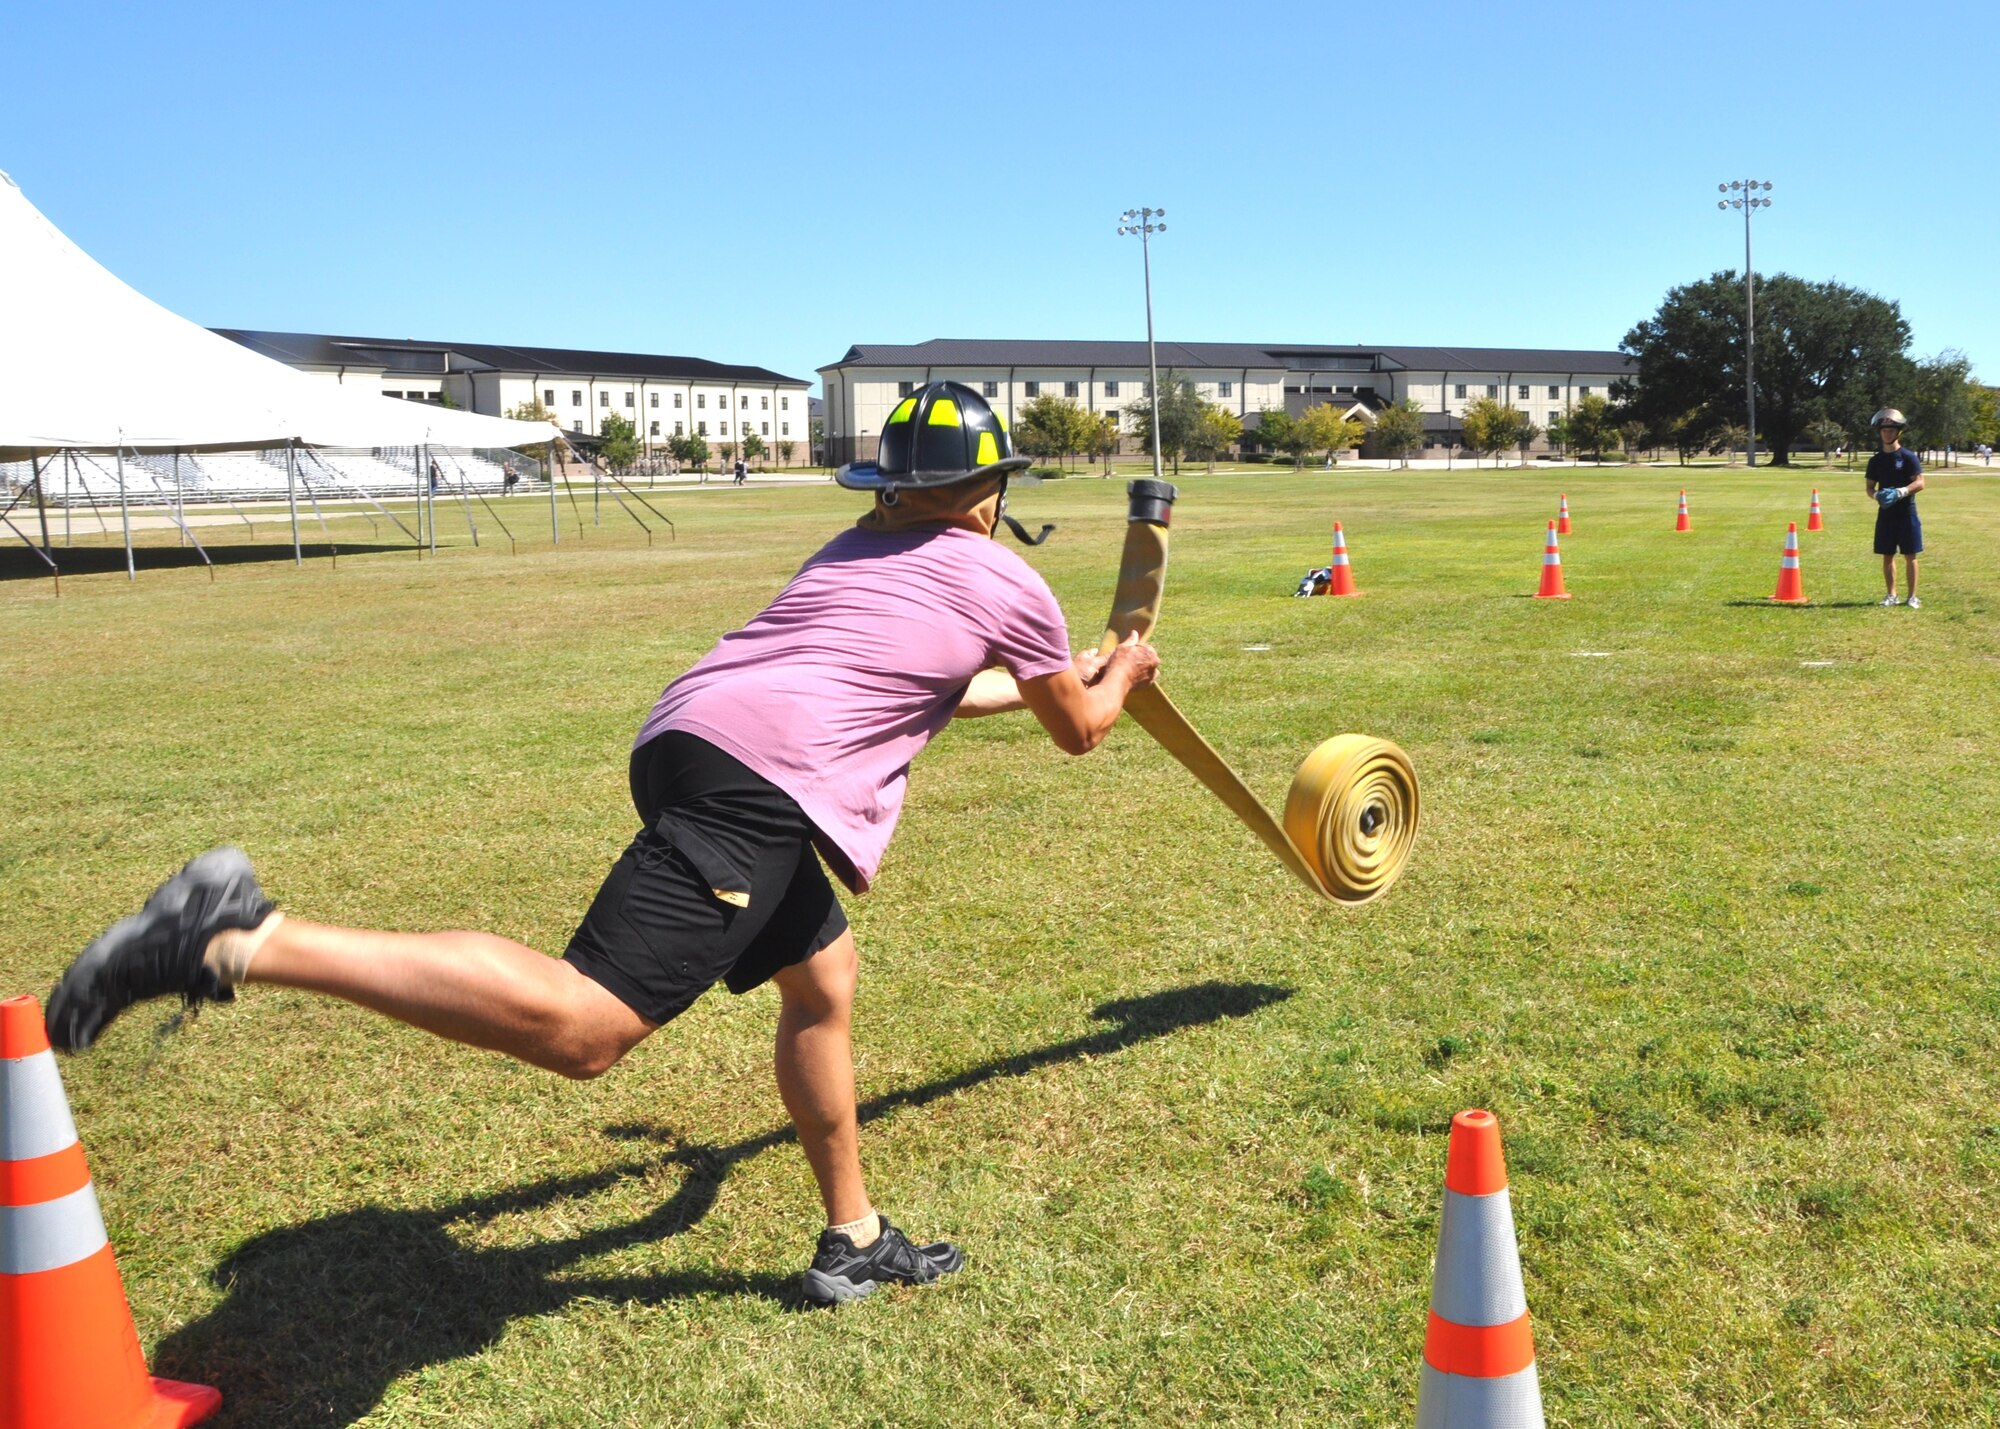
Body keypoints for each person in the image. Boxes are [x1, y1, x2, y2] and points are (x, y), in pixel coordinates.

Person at [44, 381, 1159, 1307]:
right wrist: (1119, 672)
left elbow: (930, 687)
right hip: (763, 786)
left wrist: (1057, 678)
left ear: (888, 484)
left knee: (822, 976)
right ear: (993, 488)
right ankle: (238, 937)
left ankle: (854, 1236)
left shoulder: (857, 543)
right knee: (585, 1027)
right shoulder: (1006, 577)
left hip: (688, 737)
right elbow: (1081, 731)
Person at [1865, 407, 1925, 608]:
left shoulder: (1908, 457)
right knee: (1887, 555)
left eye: (1891, 430)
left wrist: (1901, 492)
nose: (1887, 433)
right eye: (1884, 430)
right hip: (1886, 515)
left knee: (1910, 555)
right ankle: (1892, 595)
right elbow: (1869, 488)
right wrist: (1877, 496)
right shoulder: (1876, 460)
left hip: (1907, 514)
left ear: (1898, 432)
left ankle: (1912, 597)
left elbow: (1920, 482)